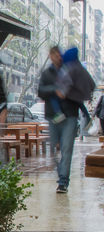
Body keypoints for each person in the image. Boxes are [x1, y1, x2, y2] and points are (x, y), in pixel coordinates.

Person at [38, 46, 80, 193]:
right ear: (50, 55)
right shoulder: (46, 73)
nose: (58, 57)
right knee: (53, 149)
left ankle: (63, 181)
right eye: (55, 54)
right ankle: (61, 174)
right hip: (53, 117)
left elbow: (79, 89)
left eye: (60, 54)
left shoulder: (69, 69)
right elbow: (40, 92)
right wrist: (54, 89)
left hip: (69, 115)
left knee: (67, 149)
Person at [49, 47, 95, 127]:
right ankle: (88, 118)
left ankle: (58, 114)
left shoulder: (70, 68)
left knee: (54, 98)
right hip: (78, 94)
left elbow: (67, 82)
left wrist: (62, 91)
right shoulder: (81, 69)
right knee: (80, 104)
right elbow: (92, 84)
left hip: (71, 94)